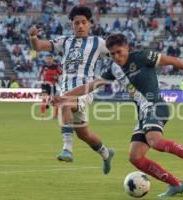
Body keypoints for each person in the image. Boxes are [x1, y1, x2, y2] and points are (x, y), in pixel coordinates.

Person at [54, 34, 183, 197]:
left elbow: (174, 61)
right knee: (135, 157)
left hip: (156, 106)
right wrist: (63, 97)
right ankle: (176, 184)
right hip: (143, 113)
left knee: (156, 142)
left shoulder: (143, 57)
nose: (116, 57)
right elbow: (89, 86)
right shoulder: (113, 69)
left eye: (119, 52)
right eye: (112, 54)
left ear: (127, 47)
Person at [28, 6, 114, 174]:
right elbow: (38, 46)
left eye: (83, 22)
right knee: (84, 134)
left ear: (89, 24)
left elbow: (119, 56)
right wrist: (32, 36)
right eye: (76, 23)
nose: (80, 26)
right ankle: (106, 154)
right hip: (66, 88)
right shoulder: (64, 41)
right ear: (71, 25)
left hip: (85, 90)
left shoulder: (98, 43)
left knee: (64, 101)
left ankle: (67, 149)